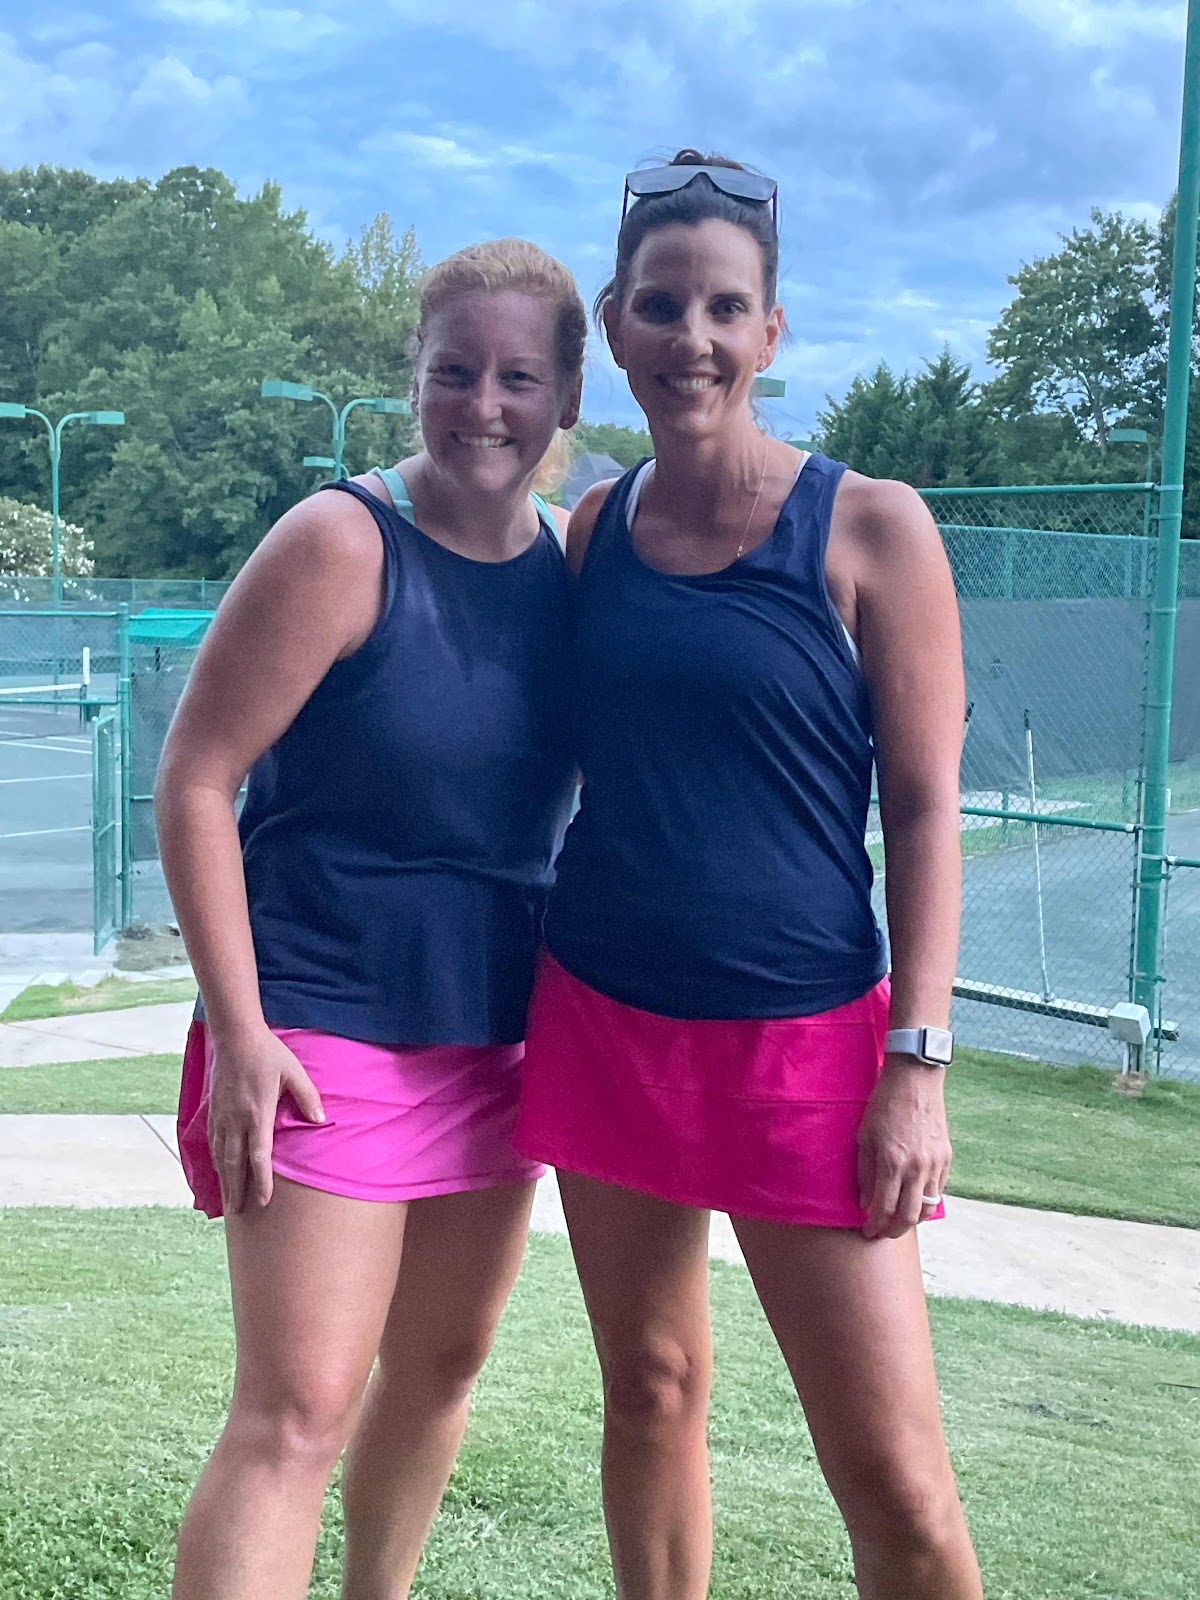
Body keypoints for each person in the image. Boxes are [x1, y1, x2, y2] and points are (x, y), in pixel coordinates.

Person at [515, 152, 983, 1600]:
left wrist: (918, 1064)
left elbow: (925, 809)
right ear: (614, 324)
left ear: (773, 330)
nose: (693, 338)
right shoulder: (592, 530)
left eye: (727, 307)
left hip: (808, 1047)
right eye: (661, 305)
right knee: (650, 1392)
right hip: (606, 1016)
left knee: (898, 1486)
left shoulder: (871, 527)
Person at [157, 237, 584, 1600]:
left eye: (518, 377)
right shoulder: (339, 543)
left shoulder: (578, 565)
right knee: (296, 1410)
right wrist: (239, 1032)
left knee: (443, 1369)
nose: (483, 406)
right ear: (415, 379)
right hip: (319, 1024)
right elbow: (196, 779)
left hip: (497, 1033)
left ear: (568, 397)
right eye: (454, 372)